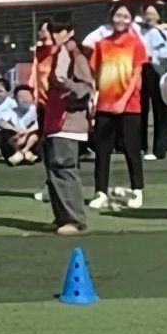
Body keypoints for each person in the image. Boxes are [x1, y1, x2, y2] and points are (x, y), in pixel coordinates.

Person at [86, 3, 148, 212]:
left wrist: (122, 101)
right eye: (118, 15)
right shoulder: (101, 44)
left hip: (130, 106)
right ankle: (100, 192)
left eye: (126, 16)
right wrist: (93, 97)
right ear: (111, 17)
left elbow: (136, 75)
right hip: (104, 105)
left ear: (131, 20)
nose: (121, 20)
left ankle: (137, 190)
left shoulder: (136, 44)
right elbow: (95, 75)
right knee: (102, 151)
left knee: (131, 148)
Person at [40, 18, 95, 235]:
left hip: (68, 121)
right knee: (54, 170)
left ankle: (74, 219)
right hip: (54, 120)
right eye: (52, 30)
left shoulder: (75, 55)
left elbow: (86, 87)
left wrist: (67, 86)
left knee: (64, 168)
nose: (54, 34)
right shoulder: (59, 54)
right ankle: (61, 217)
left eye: (59, 30)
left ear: (70, 31)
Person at [135, 4, 167, 160]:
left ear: (159, 15)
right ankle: (143, 146)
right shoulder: (138, 30)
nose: (149, 16)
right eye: (147, 13)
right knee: (142, 110)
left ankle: (160, 147)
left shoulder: (165, 32)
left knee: (161, 109)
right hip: (141, 69)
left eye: (152, 13)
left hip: (159, 71)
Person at [5, 84, 41, 163]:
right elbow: (0, 122)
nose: (24, 99)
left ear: (32, 97)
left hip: (32, 141)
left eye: (27, 96)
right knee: (6, 134)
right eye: (21, 97)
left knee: (36, 134)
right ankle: (24, 154)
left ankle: (22, 152)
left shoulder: (37, 110)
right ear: (15, 98)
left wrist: (26, 133)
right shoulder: (10, 111)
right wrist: (15, 130)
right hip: (16, 140)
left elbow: (39, 125)